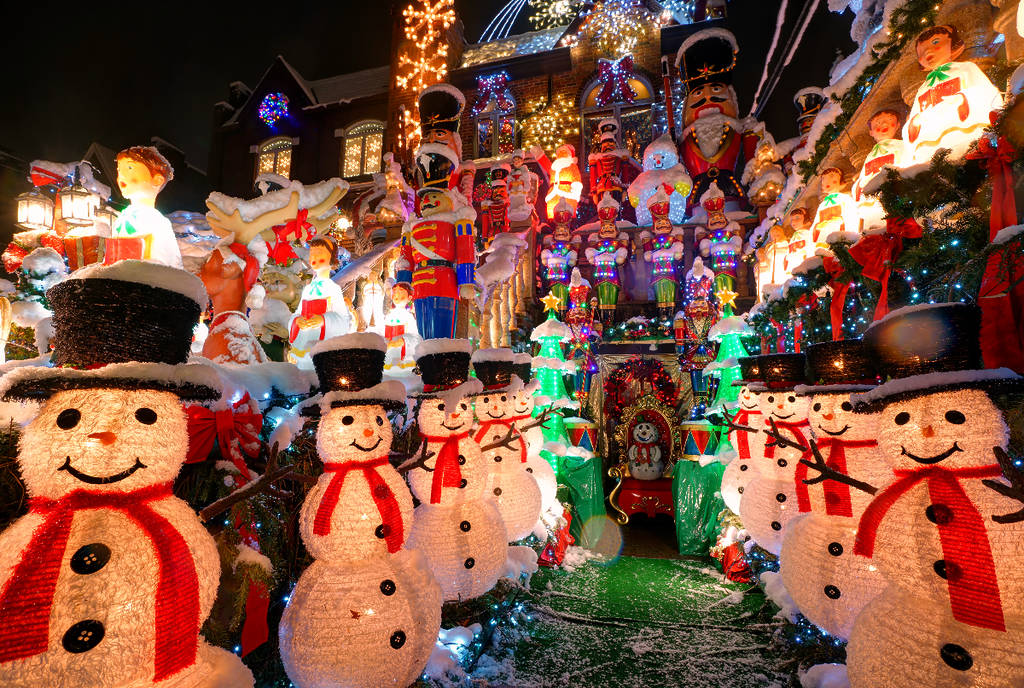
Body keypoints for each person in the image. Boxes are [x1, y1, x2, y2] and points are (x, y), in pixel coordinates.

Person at [106, 146, 183, 267]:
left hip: (145, 279)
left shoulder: (157, 222)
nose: (121, 175)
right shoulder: (121, 219)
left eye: (130, 168)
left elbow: (171, 264)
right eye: (119, 170)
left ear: (157, 180)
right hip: (116, 277)